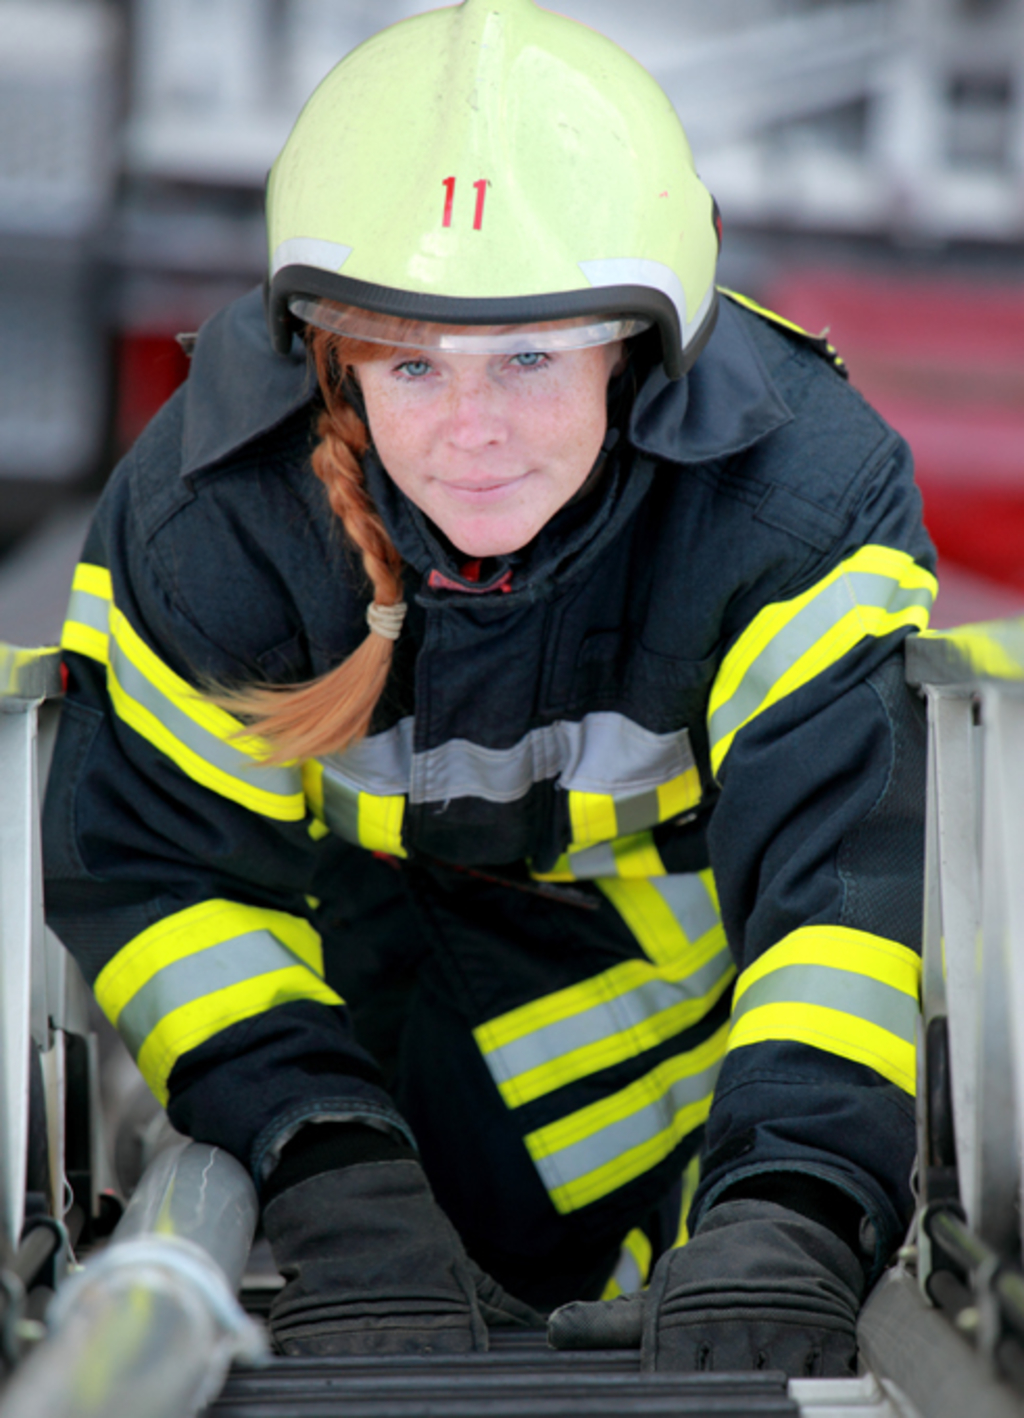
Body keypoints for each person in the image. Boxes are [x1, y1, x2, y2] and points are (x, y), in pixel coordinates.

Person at [43, 0, 935, 1374]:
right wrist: (331, 1174)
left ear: (635, 348)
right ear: (333, 357)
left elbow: (845, 896)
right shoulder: (211, 522)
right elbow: (168, 885)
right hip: (367, 1076)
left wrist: (795, 1208)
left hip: (711, 1108)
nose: (472, 431)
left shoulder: (796, 508)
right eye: (412, 363)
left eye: (529, 357)